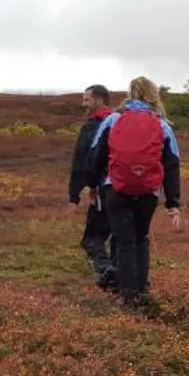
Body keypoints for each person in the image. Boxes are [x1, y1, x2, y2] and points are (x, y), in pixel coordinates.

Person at [85, 76, 183, 311]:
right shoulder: (162, 125)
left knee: (124, 240)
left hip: (115, 188)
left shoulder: (113, 119)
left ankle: (128, 296)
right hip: (148, 192)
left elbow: (96, 155)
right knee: (141, 238)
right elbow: (171, 164)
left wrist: (93, 185)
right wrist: (172, 202)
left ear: (130, 93)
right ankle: (141, 289)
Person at [67, 84, 116, 292]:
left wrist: (74, 195)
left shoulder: (93, 125)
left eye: (87, 99)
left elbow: (82, 161)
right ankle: (128, 283)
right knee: (122, 239)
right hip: (127, 188)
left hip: (103, 189)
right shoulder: (119, 121)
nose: (83, 104)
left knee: (92, 239)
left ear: (99, 99)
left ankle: (107, 272)